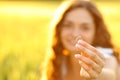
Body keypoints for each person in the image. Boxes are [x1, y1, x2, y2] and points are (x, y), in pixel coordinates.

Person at [41, 0, 120, 80]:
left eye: (85, 27)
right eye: (68, 25)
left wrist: (97, 74)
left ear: (96, 31)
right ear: (59, 29)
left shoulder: (104, 56)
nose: (75, 34)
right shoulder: (60, 61)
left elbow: (111, 75)